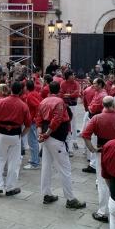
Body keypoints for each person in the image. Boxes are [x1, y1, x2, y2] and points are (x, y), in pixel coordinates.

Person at [36, 81, 86, 209]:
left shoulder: (43, 101)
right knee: (65, 169)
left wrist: (41, 134)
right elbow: (57, 119)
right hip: (55, 137)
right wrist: (46, 134)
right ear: (59, 90)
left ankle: (47, 194)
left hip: (47, 137)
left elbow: (39, 119)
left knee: (46, 166)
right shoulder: (59, 102)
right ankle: (70, 199)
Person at [82, 96, 115, 222]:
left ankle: (103, 212)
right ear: (114, 104)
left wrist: (92, 149)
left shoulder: (97, 118)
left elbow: (85, 134)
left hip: (102, 151)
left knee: (102, 181)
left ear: (102, 105)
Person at [0, 81, 31, 197]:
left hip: (2, 134)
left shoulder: (1, 102)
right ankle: (10, 188)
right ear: (21, 91)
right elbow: (28, 125)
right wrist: (21, 135)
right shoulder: (23, 105)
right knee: (14, 162)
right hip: (15, 135)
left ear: (10, 90)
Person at [23, 80, 42, 170]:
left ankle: (35, 162)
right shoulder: (35, 93)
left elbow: (38, 106)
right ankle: (34, 159)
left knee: (32, 141)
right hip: (33, 120)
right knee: (33, 141)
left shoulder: (30, 95)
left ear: (27, 87)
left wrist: (34, 117)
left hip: (32, 121)